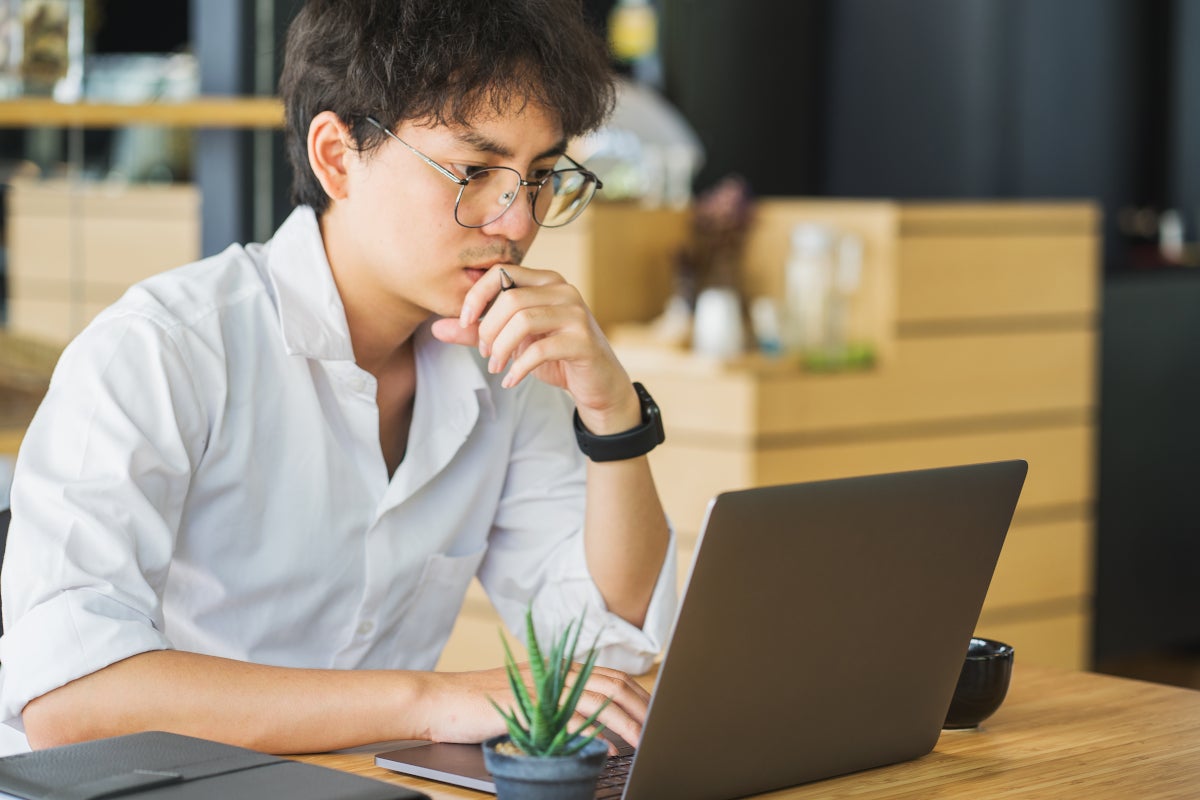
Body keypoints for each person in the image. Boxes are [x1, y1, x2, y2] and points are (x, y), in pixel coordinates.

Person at [0, 0, 676, 754]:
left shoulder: (505, 362)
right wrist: (428, 702)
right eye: (476, 170)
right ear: (336, 156)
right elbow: (68, 698)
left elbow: (606, 653)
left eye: (541, 174)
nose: (518, 222)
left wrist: (614, 415)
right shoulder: (163, 350)